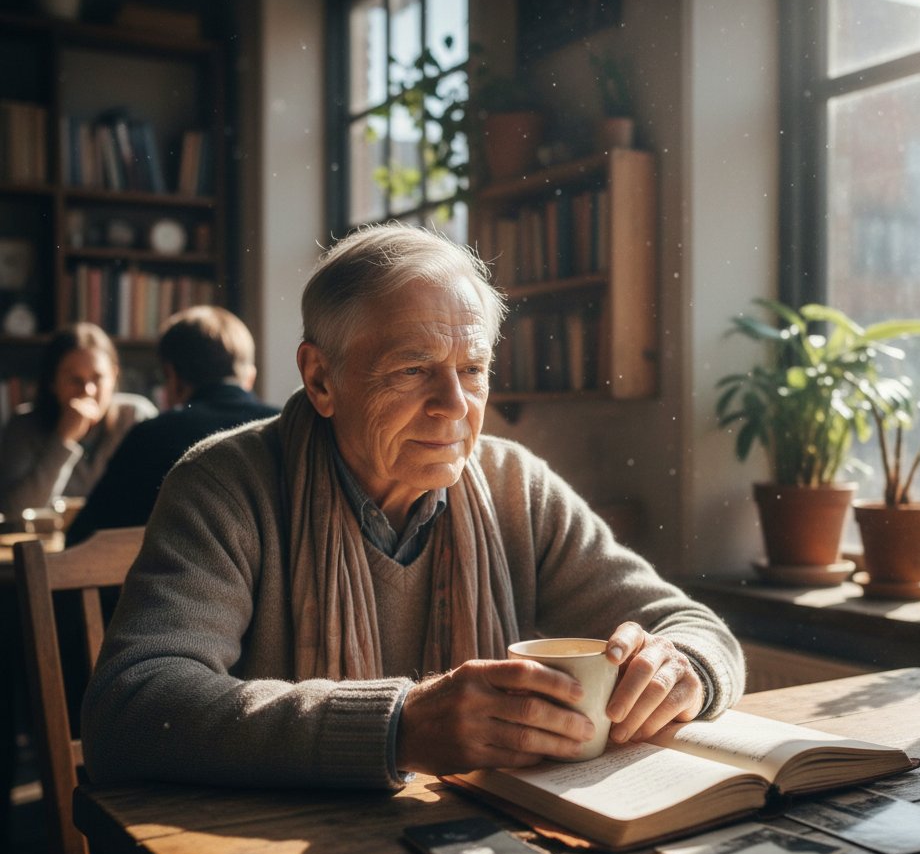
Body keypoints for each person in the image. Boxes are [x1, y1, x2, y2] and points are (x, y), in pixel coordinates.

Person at [82, 223, 744, 790]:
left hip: (484, 842)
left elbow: (691, 626)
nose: (455, 406)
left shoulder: (514, 485)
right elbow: (131, 705)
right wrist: (399, 726)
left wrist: (683, 667)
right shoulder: (226, 485)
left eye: (473, 369)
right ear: (320, 378)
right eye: (412, 369)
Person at [65, 305, 279, 544]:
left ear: (172, 376)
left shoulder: (151, 437)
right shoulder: (286, 428)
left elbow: (81, 539)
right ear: (249, 377)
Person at [0, 322, 157, 519]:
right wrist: (63, 439)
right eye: (75, 380)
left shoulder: (136, 417)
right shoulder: (23, 427)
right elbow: (13, 512)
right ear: (52, 382)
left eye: (97, 378)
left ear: (114, 376)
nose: (88, 391)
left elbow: (156, 498)